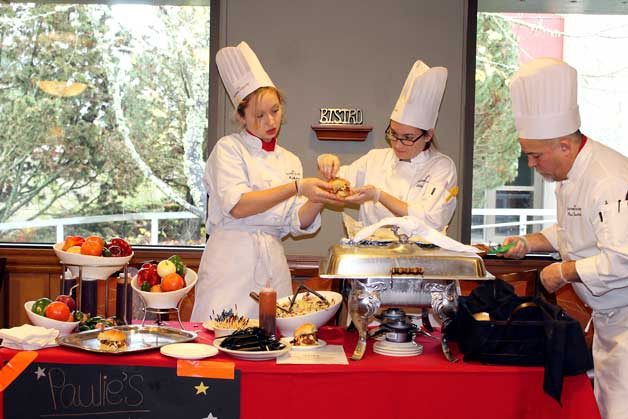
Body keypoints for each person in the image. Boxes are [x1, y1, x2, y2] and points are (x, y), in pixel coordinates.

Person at [501, 57, 628, 419]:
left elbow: (621, 259)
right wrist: (528, 243)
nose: (531, 165)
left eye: (535, 155)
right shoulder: (571, 175)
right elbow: (572, 230)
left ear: (565, 146)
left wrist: (565, 271)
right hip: (608, 321)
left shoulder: (608, 180)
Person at [190, 42, 339, 321]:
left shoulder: (290, 160)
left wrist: (320, 194)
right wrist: (297, 187)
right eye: (259, 115)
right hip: (231, 263)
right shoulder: (228, 149)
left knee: (274, 341)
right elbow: (238, 206)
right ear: (242, 117)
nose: (270, 121)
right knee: (220, 338)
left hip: (272, 263)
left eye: (275, 110)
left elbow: (297, 221)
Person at [317, 60, 458, 232]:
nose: (397, 144)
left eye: (407, 138)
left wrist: (379, 195)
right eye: (393, 134)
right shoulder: (375, 159)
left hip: (419, 255)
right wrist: (328, 163)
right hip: (373, 255)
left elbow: (431, 221)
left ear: (428, 134)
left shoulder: (442, 167)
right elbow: (337, 183)